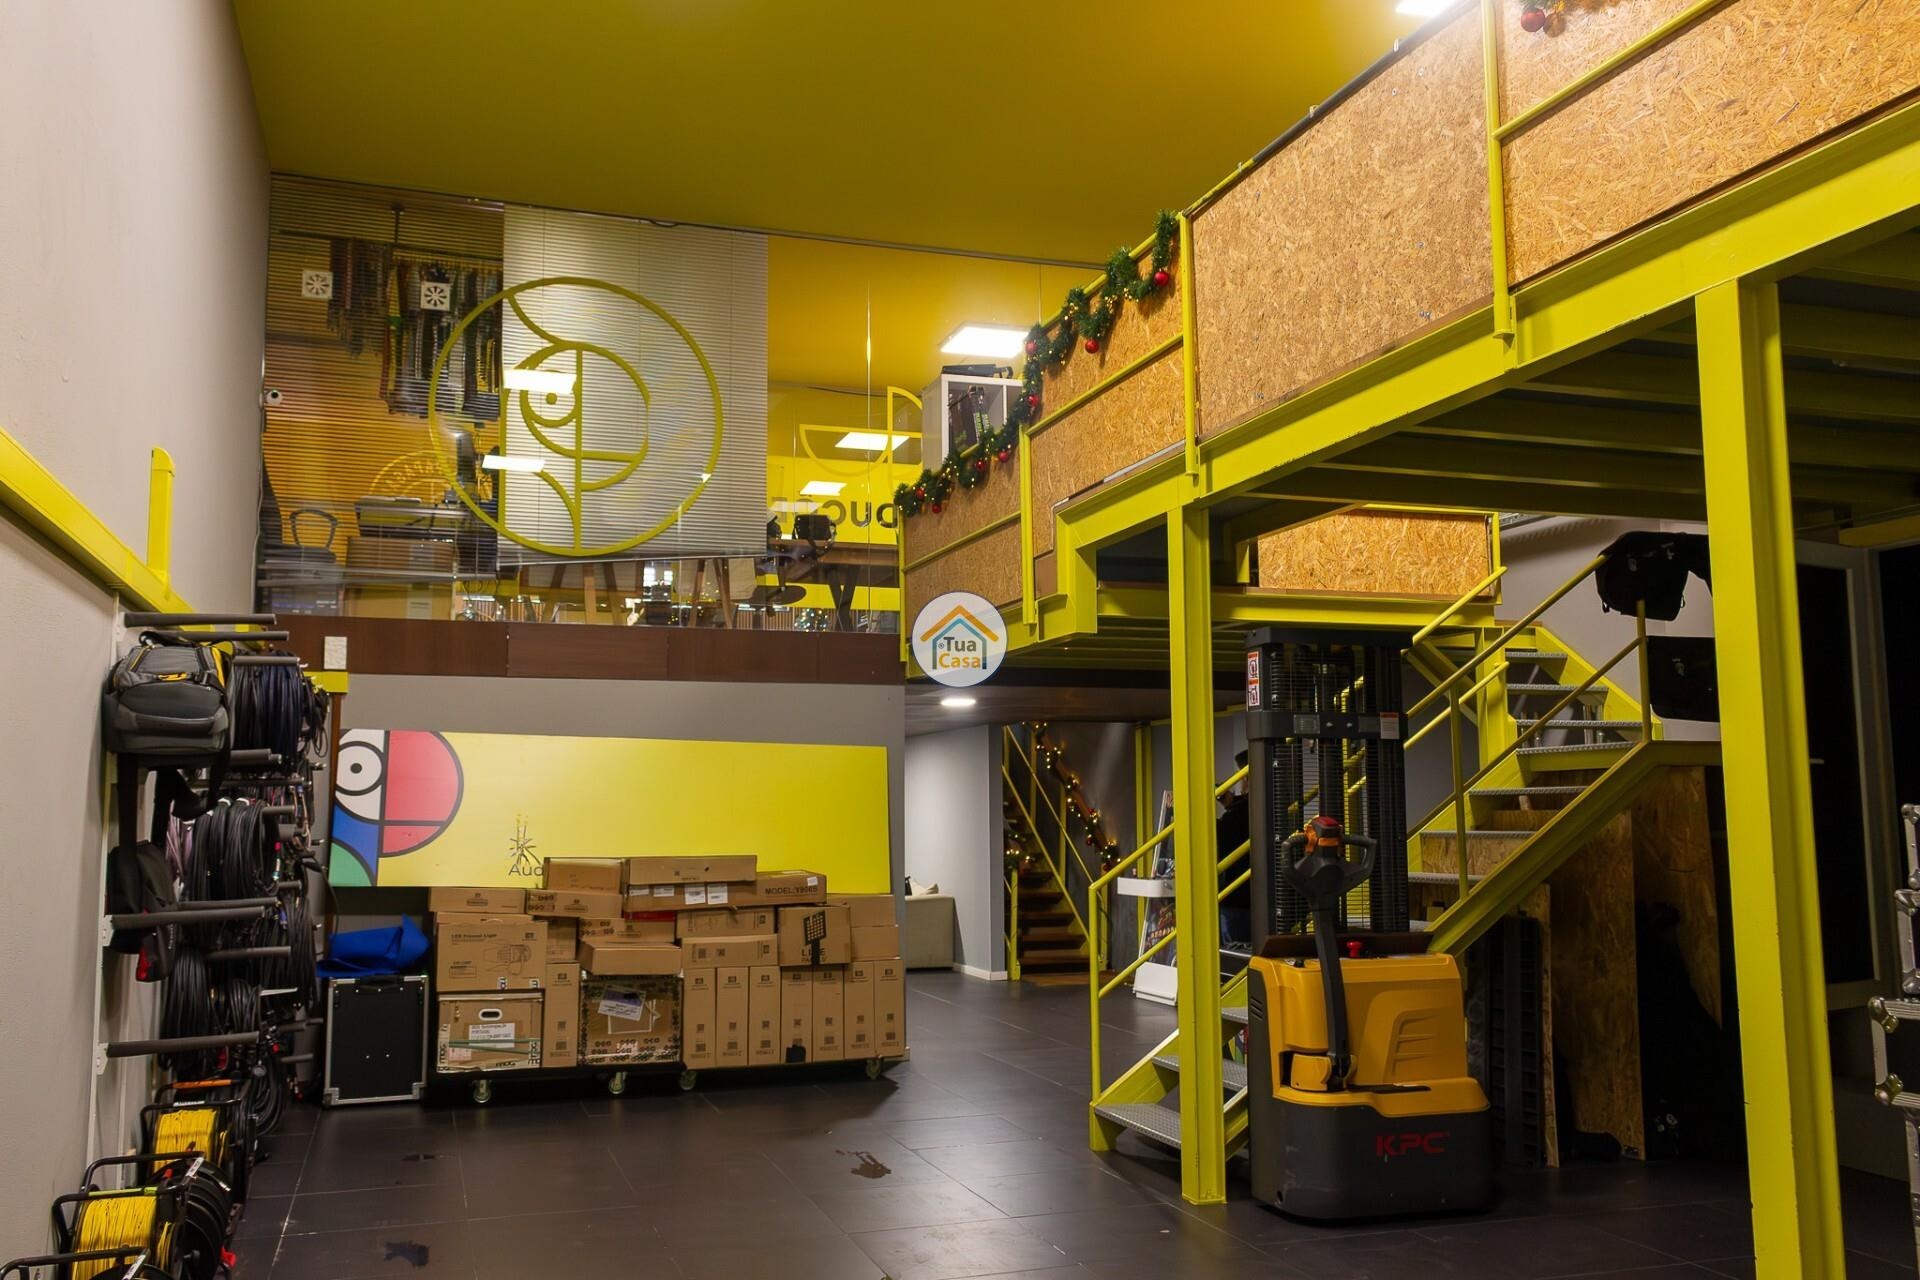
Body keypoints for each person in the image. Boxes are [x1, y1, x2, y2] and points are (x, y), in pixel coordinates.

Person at [1217, 750, 1252, 950]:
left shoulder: (1238, 816)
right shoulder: (1266, 805)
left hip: (1237, 896)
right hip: (1247, 896)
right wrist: (1231, 803)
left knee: (1236, 952)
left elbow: (1225, 835)